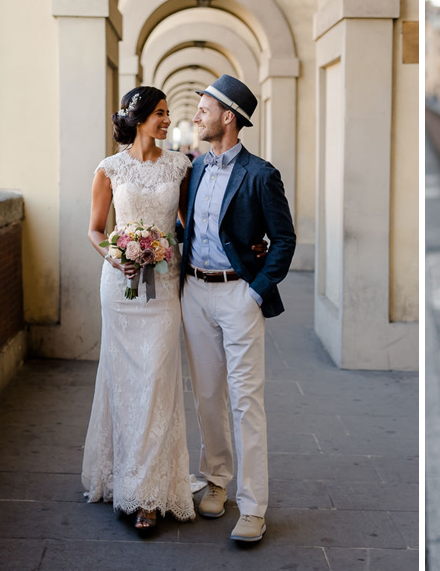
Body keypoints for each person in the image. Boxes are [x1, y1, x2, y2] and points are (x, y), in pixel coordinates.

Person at [180, 74, 296, 542]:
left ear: (228, 117)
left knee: (246, 399)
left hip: (238, 294)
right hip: (194, 292)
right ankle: (216, 481)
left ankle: (253, 506)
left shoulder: (262, 174)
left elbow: (285, 240)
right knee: (207, 395)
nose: (196, 116)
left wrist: (254, 290)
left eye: (203, 108)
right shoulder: (196, 169)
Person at [83, 86, 195, 529]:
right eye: (161, 114)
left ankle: (150, 492)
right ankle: (123, 478)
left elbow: (192, 224)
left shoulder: (180, 167)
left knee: (157, 380)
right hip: (120, 287)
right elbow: (95, 230)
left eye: (169, 114)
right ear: (140, 117)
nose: (168, 121)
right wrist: (116, 254)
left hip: (165, 288)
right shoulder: (109, 169)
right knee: (123, 381)